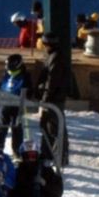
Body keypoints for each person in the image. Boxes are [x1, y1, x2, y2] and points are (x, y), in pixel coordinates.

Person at [37, 32, 69, 166]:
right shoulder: (53, 56)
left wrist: (45, 99)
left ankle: (60, 156)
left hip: (53, 99)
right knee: (46, 126)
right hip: (52, 97)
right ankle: (47, 153)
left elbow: (52, 81)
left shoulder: (55, 58)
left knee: (55, 127)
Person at [0, 54, 31, 157]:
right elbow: (1, 84)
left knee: (16, 128)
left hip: (17, 105)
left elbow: (29, 89)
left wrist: (27, 94)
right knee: (2, 126)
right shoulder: (7, 73)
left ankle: (17, 150)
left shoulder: (25, 75)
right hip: (6, 104)